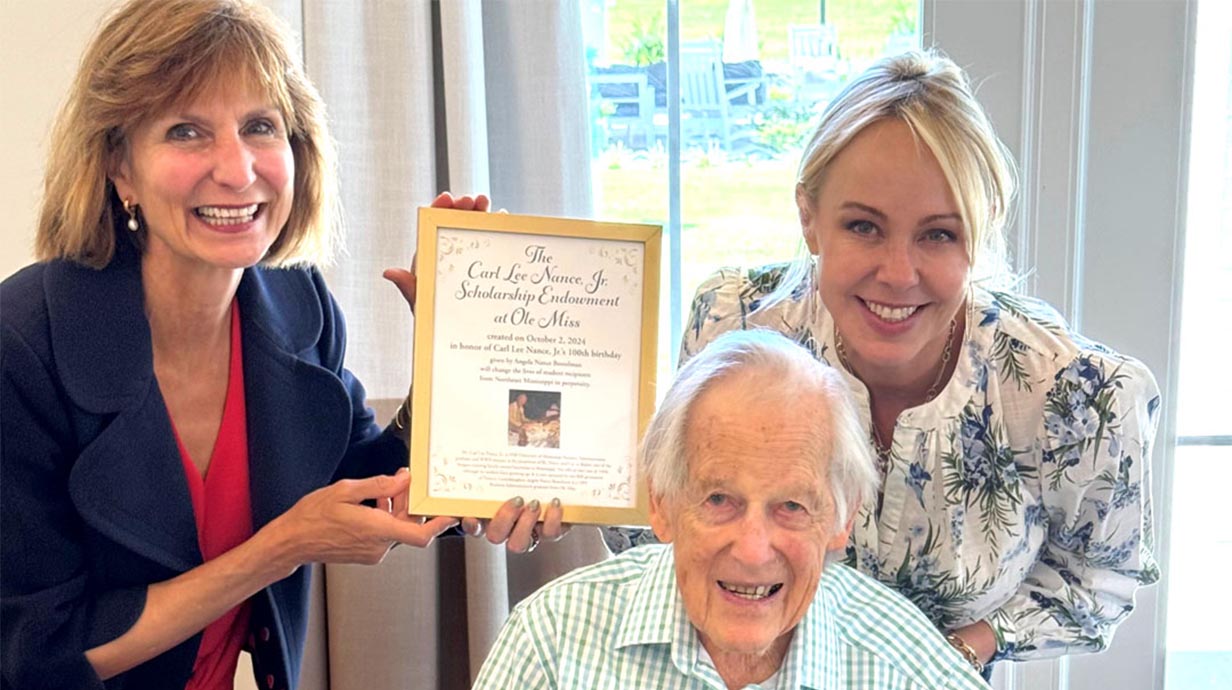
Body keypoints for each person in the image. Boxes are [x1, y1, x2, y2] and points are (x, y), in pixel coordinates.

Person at [0, 1, 563, 688]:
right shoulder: (24, 341)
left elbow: (362, 486)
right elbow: (35, 652)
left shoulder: (299, 305)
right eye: (186, 131)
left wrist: (457, 356)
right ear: (119, 165)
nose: (238, 171)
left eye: (260, 126)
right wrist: (279, 549)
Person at [624, 50, 1161, 675]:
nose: (898, 274)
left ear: (980, 234)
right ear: (809, 219)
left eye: (938, 234)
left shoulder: (1076, 394)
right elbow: (668, 521)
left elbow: (1103, 577)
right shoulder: (734, 324)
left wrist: (949, 656)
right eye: (863, 227)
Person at [474, 330, 987, 689]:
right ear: (661, 502)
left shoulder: (907, 666)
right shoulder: (553, 639)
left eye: (791, 506)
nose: (753, 550)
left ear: (841, 517)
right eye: (719, 500)